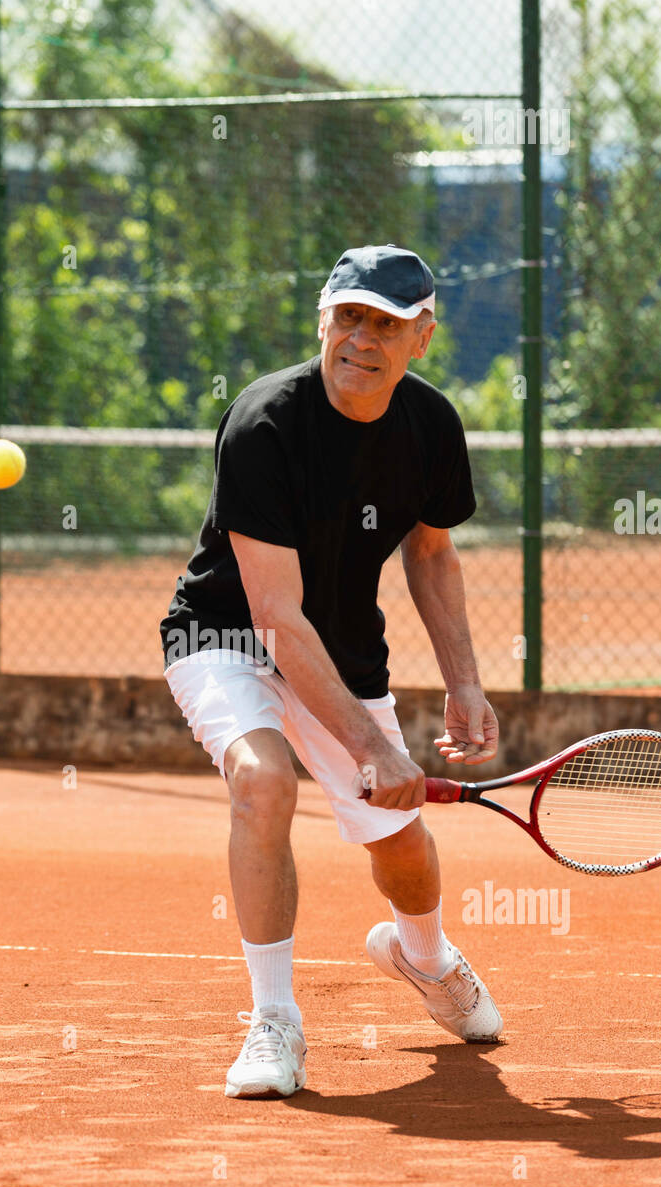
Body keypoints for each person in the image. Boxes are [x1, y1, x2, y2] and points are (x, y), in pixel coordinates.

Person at [160, 244, 502, 1099]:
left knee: (403, 851)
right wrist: (371, 749)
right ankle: (274, 1021)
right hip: (227, 635)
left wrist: (464, 681)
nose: (361, 339)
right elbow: (274, 617)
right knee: (263, 781)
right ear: (324, 317)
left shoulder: (430, 426)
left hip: (342, 650)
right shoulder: (264, 421)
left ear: (420, 337)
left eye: (384, 324)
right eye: (348, 316)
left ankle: (424, 960)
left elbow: (431, 555)